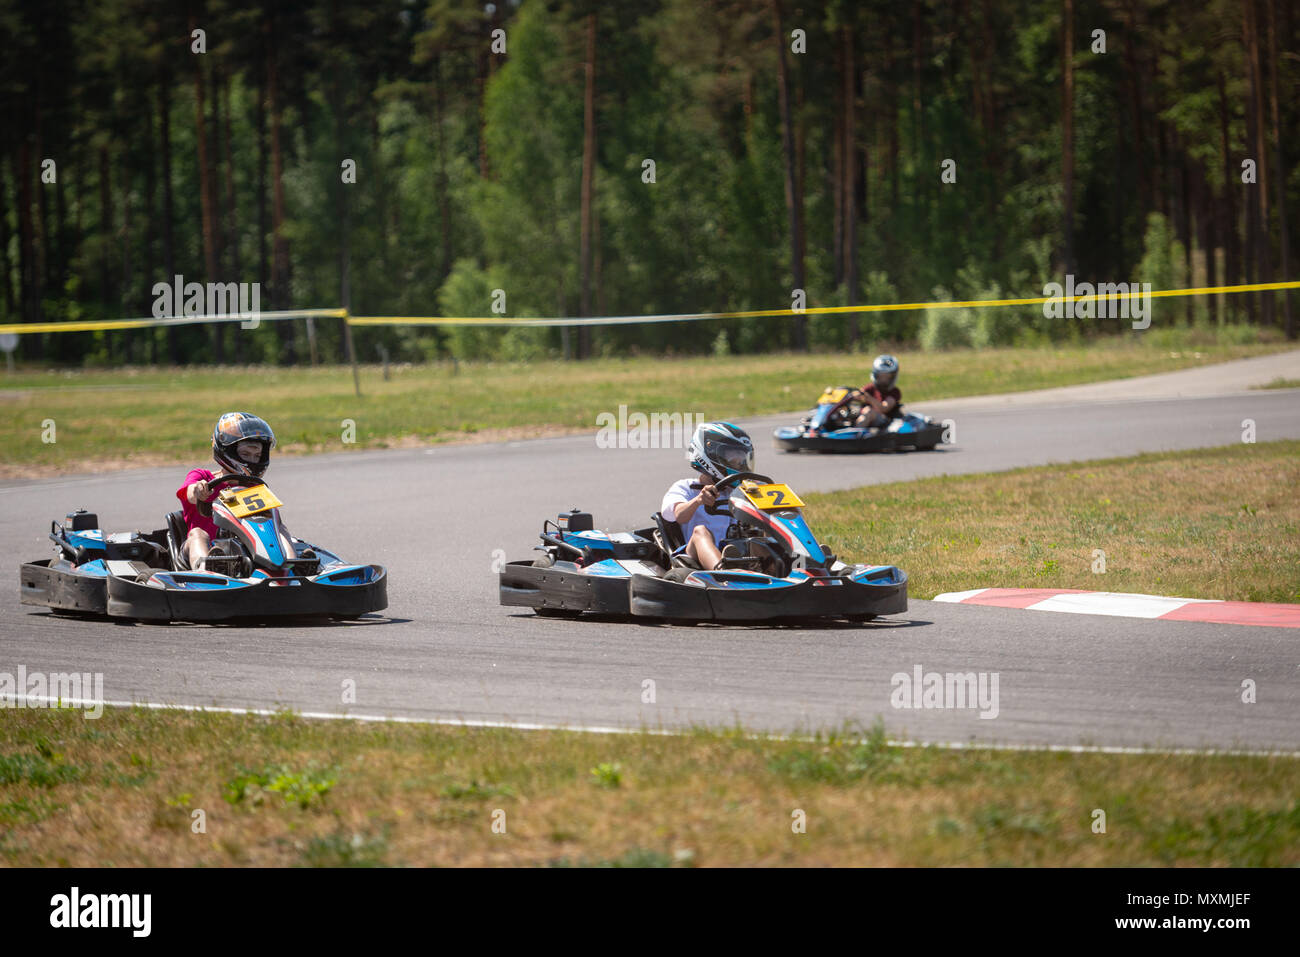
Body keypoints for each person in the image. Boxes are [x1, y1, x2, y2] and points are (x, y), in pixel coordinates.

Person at [177, 412, 277, 568]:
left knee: (276, 528)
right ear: (227, 450)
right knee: (197, 533)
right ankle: (206, 570)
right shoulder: (203, 477)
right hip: (199, 551)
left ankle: (290, 563)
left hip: (241, 553)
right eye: (245, 454)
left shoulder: (254, 487)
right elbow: (189, 493)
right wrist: (198, 490)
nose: (251, 460)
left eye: (256, 455)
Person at [661, 421, 755, 570]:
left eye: (742, 460)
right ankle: (723, 571)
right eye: (733, 460)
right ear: (711, 455)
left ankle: (783, 570)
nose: (740, 465)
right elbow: (679, 515)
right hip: (692, 556)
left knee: (760, 536)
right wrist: (698, 500)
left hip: (731, 550)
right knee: (701, 531)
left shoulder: (736, 492)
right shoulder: (685, 487)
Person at [854, 354, 902, 429]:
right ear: (876, 375)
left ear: (893, 376)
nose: (883, 380)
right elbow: (857, 394)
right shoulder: (870, 387)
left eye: (887, 376)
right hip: (867, 418)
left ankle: (855, 435)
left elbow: (884, 408)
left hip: (885, 424)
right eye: (881, 376)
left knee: (869, 411)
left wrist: (869, 398)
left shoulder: (894, 392)